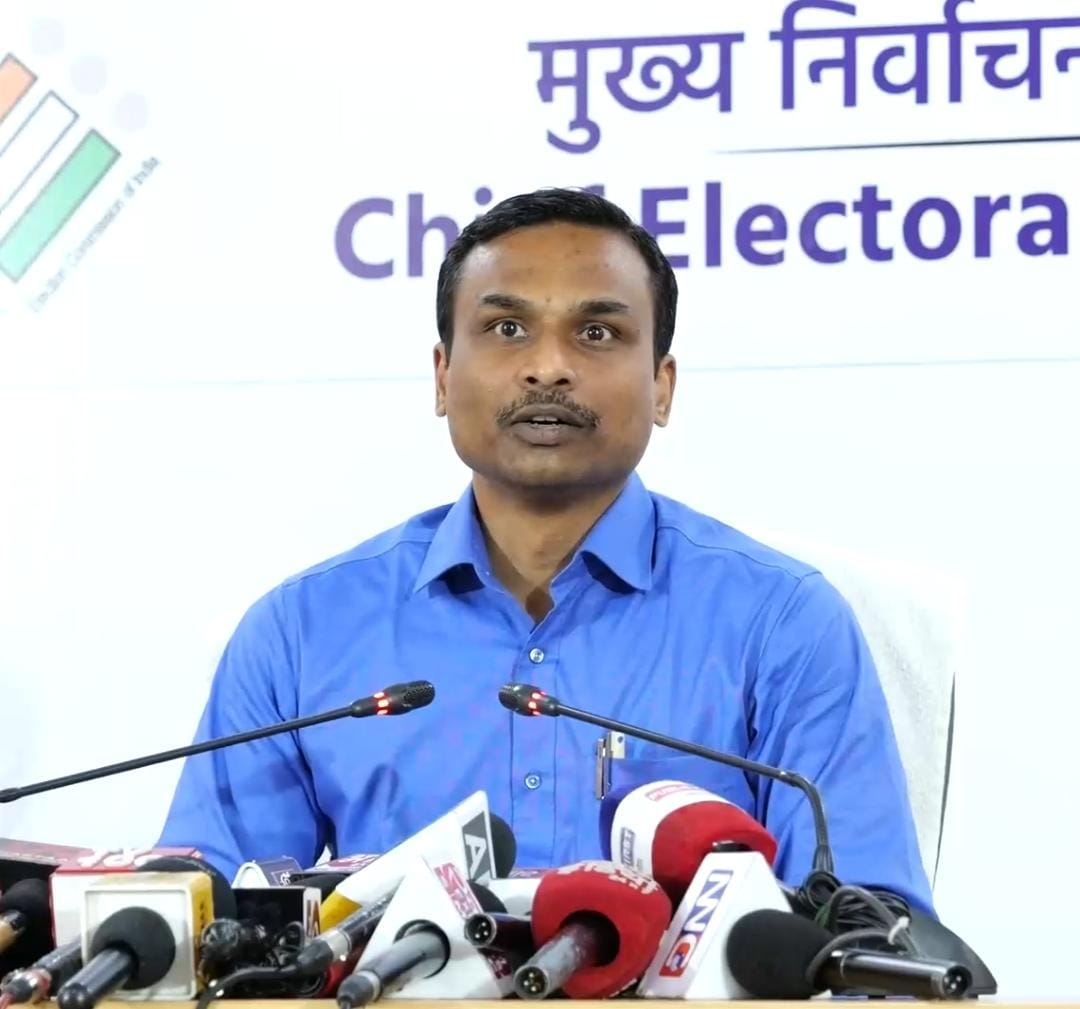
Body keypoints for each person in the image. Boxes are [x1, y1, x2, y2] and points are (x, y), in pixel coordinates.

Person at [158, 188, 932, 913]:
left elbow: (867, 930)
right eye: (506, 328)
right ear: (442, 376)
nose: (548, 366)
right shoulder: (302, 631)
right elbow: (206, 923)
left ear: (662, 385)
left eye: (597, 333)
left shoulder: (781, 621)